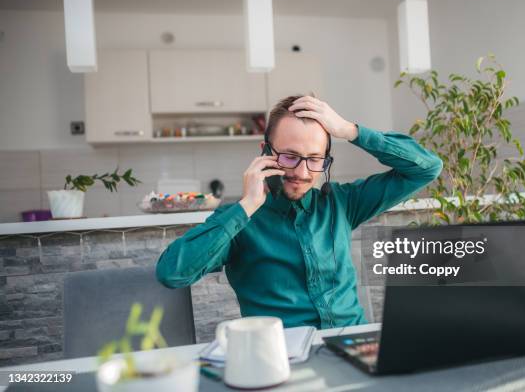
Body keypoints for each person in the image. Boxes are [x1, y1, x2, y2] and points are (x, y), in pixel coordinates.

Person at [156, 95, 443, 329]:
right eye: (290, 156)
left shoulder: (342, 203)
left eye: (315, 159)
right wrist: (246, 206)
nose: (303, 173)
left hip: (354, 346)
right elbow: (172, 273)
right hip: (285, 360)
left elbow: (427, 168)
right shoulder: (240, 219)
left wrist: (349, 131)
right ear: (264, 152)